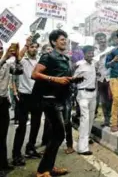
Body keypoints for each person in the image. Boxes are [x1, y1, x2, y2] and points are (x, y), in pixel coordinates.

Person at [32, 29, 75, 177]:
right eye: (62, 39)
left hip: (61, 99)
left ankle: (48, 168)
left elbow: (63, 77)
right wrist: (55, 79)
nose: (65, 42)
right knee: (59, 134)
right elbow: (35, 74)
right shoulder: (48, 56)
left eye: (66, 39)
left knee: (56, 135)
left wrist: (73, 79)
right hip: (49, 100)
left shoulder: (66, 59)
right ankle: (42, 171)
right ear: (53, 42)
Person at [12, 40, 43, 166]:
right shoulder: (23, 61)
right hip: (24, 96)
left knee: (36, 124)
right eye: (31, 47)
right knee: (22, 127)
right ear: (28, 48)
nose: (34, 49)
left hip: (37, 96)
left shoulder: (40, 62)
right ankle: (16, 154)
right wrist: (26, 45)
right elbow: (18, 57)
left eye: (36, 47)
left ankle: (30, 148)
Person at [0, 41, 20, 173]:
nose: (0, 50)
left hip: (2, 102)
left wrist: (17, 57)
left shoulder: (7, 64)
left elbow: (20, 71)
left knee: (2, 135)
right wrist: (3, 59)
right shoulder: (3, 62)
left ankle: (3, 163)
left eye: (1, 48)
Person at [75, 45, 97, 155]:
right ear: (84, 53)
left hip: (93, 94)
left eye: (92, 52)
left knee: (91, 119)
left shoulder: (94, 63)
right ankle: (82, 148)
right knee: (85, 119)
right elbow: (72, 78)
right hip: (83, 93)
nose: (91, 54)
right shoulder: (79, 65)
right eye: (89, 52)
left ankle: (85, 138)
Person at [95, 33, 112, 127]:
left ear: (106, 39)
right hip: (100, 79)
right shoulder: (95, 52)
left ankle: (113, 120)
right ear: (97, 41)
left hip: (111, 78)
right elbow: (95, 64)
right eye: (99, 39)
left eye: (103, 38)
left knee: (111, 100)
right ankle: (106, 120)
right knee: (103, 101)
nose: (101, 40)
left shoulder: (111, 49)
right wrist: (96, 71)